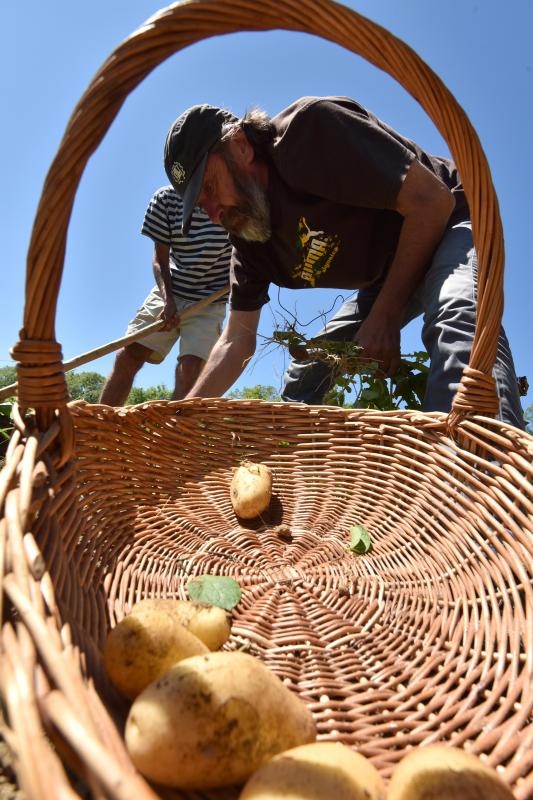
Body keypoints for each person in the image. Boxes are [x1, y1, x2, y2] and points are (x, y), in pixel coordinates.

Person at [162, 97, 524, 428]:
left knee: (458, 315)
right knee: (308, 371)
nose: (213, 213)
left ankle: (481, 459)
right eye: (201, 207)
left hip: (447, 221)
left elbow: (432, 202)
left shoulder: (310, 134)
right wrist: (185, 417)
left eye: (209, 187)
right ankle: (295, 465)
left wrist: (385, 316)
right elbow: (235, 342)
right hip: (389, 274)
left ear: (240, 146)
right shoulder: (248, 239)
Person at [99, 186, 231, 405]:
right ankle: (101, 424)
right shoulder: (165, 198)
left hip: (210, 299)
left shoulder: (232, 199)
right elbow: (160, 258)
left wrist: (239, 277)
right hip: (170, 289)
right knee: (127, 357)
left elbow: (247, 252)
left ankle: (174, 427)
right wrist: (168, 300)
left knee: (189, 371)